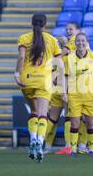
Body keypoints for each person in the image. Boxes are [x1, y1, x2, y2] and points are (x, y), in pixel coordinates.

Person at [14, 14, 62, 163]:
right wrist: (55, 77)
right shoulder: (52, 40)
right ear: (45, 25)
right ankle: (39, 142)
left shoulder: (24, 38)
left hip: (27, 80)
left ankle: (33, 138)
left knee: (33, 111)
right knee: (42, 114)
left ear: (31, 23)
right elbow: (59, 63)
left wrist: (17, 74)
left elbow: (21, 58)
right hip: (44, 81)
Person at [62, 33, 93, 156]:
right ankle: (73, 150)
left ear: (87, 42)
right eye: (78, 41)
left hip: (90, 95)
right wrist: (64, 92)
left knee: (90, 123)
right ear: (75, 43)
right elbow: (65, 77)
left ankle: (91, 148)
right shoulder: (69, 58)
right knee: (75, 123)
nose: (80, 43)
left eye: (83, 41)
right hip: (74, 95)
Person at [44, 36, 68, 154]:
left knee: (53, 120)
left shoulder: (51, 58)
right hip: (67, 90)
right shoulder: (69, 57)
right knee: (70, 119)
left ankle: (45, 145)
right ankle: (70, 146)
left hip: (55, 89)